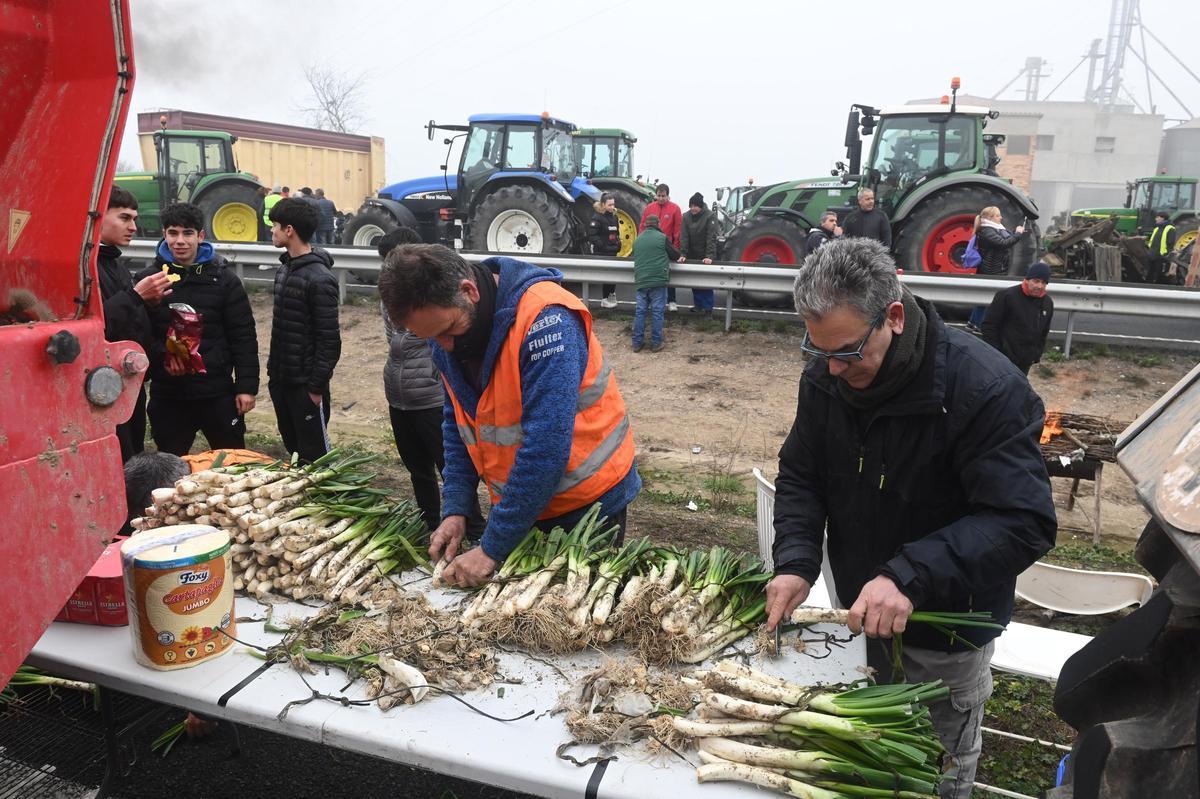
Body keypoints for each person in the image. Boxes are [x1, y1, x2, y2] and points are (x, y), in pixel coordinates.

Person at [764, 237, 1056, 799]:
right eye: (816, 348)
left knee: (929, 771)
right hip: (858, 614)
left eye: (847, 352)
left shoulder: (986, 390)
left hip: (941, 632)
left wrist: (908, 575)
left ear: (893, 318)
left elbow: (1022, 520)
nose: (831, 367)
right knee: (860, 764)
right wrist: (797, 561)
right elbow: (802, 474)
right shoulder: (827, 378)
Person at [377, 244, 641, 588]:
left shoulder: (547, 322)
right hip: (525, 502)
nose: (443, 346)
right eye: (429, 337)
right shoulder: (444, 326)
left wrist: (491, 547)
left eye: (447, 331)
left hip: (586, 506)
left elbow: (545, 451)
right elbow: (459, 421)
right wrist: (457, 507)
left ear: (468, 292)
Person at [377, 227, 485, 537]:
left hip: (429, 396)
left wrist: (433, 377)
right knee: (421, 467)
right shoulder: (392, 303)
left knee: (450, 465)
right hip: (400, 394)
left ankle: (475, 529)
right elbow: (392, 341)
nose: (443, 346)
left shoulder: (439, 301)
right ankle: (433, 524)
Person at [134, 203, 259, 457]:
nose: (180, 241)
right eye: (173, 233)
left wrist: (246, 387)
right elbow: (136, 335)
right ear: (164, 234)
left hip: (217, 391)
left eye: (187, 233)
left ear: (200, 236)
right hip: (169, 394)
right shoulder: (148, 281)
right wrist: (164, 357)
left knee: (232, 466)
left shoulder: (224, 280)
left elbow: (243, 335)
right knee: (171, 469)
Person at [98, 186, 171, 461]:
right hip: (103, 388)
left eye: (135, 219)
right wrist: (136, 296)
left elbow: (128, 320)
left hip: (129, 382)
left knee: (133, 454)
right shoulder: (85, 265)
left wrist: (149, 304)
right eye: (125, 218)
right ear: (97, 216)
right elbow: (96, 328)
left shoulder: (114, 263)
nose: (133, 227)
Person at [267, 197, 341, 463]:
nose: (271, 231)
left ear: (290, 230)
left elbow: (329, 340)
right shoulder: (285, 269)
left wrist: (315, 388)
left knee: (315, 458)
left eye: (275, 225)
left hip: (305, 387)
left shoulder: (320, 278)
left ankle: (323, 504)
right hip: (282, 380)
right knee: (294, 449)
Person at [982, 261, 1055, 375]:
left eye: (1044, 282)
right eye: (1036, 281)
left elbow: (1044, 332)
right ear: (1027, 280)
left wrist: (1036, 354)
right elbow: (989, 326)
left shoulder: (1047, 303)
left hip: (1026, 361)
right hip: (1002, 359)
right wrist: (997, 352)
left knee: (1018, 390)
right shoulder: (1007, 296)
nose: (1039, 286)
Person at [967, 206, 1026, 331]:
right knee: (986, 299)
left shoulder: (994, 229)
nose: (1001, 217)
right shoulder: (987, 231)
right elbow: (1003, 243)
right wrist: (1018, 234)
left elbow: (1006, 239)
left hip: (994, 268)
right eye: (998, 215)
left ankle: (973, 322)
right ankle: (978, 324)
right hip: (990, 270)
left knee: (984, 298)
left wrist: (1016, 233)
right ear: (990, 218)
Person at [632, 214, 679, 352]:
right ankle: (656, 343)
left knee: (640, 311)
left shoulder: (638, 240)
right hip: (658, 280)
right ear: (658, 225)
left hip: (641, 280)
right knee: (657, 312)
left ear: (646, 225)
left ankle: (637, 343)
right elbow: (675, 255)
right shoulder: (662, 238)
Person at [639, 184, 682, 311]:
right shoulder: (649, 208)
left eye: (663, 196)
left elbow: (677, 230)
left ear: (668, 195)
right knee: (652, 274)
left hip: (666, 246)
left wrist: (675, 248)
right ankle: (651, 302)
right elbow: (642, 226)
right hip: (651, 247)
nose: (661, 198)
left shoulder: (675, 209)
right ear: (656, 195)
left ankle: (672, 300)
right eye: (659, 196)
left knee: (668, 273)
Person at [678, 191, 717, 316]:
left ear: (701, 206)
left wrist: (709, 256)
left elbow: (711, 237)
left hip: (705, 254)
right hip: (692, 253)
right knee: (694, 282)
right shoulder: (686, 217)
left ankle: (708, 309)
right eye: (691, 206)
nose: (693, 208)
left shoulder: (710, 216)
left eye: (695, 206)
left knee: (705, 283)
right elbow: (684, 236)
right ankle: (698, 305)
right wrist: (683, 254)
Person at [587, 193, 621, 309]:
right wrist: (603, 246)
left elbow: (617, 234)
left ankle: (611, 295)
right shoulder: (597, 217)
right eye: (610, 205)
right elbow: (592, 236)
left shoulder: (615, 217)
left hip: (613, 252)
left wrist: (618, 244)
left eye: (613, 204)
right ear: (603, 205)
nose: (612, 207)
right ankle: (604, 299)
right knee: (607, 275)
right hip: (602, 253)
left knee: (614, 275)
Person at [1146, 211, 1177, 285]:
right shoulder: (1157, 229)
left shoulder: (1170, 228)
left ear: (1163, 218)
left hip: (1161, 257)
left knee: (1159, 276)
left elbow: (1170, 243)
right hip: (1152, 256)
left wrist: (1166, 255)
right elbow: (1152, 242)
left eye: (1157, 217)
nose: (1155, 219)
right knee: (1150, 274)